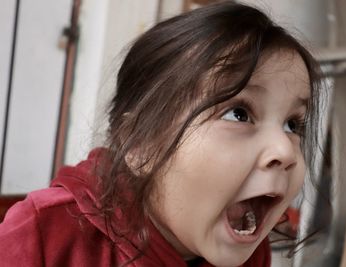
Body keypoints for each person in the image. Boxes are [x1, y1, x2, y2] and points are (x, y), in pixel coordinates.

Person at [0, 2, 322, 266]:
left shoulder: (251, 251)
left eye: (293, 124)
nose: (286, 149)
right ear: (141, 145)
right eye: (239, 113)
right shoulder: (42, 233)